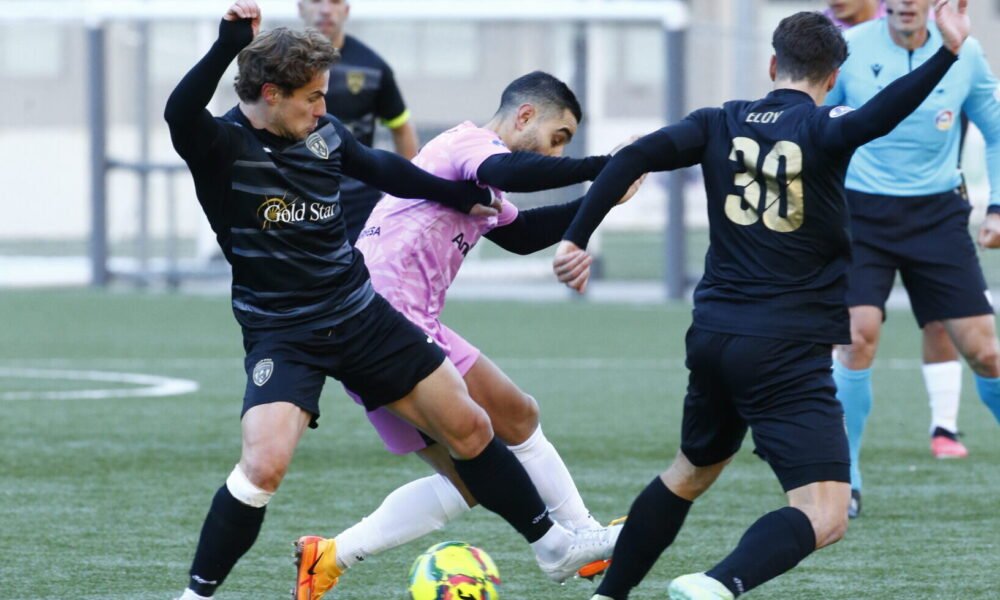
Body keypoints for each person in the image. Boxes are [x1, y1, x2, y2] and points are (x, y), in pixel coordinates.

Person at [164, 3, 615, 599]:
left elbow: (387, 170)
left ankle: (557, 547)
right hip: (283, 332)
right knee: (263, 467)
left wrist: (460, 196)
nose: (325, 109)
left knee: (472, 425)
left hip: (361, 314)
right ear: (271, 94)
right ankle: (196, 595)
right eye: (312, 98)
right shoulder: (219, 145)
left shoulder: (324, 134)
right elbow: (178, 110)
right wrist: (227, 45)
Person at [552, 4, 970, 598]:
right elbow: (880, 115)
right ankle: (719, 585)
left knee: (688, 474)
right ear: (831, 79)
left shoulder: (716, 121)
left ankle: (607, 595)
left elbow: (632, 155)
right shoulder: (824, 127)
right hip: (785, 347)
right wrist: (948, 53)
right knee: (825, 513)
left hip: (714, 337)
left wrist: (577, 236)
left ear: (773, 63)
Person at [296, 71, 643, 598]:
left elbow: (523, 234)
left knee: (508, 429)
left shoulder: (486, 182)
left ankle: (580, 536)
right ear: (524, 116)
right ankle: (564, 544)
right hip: (376, 321)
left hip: (418, 322)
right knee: (477, 462)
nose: (554, 155)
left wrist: (606, 197)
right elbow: (515, 170)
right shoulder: (468, 145)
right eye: (557, 138)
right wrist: (609, 167)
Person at [827, 0, 1000, 518]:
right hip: (860, 214)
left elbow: (996, 130)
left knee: (986, 353)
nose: (904, 3)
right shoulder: (851, 50)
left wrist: (997, 206)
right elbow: (814, 123)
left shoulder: (966, 52)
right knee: (856, 339)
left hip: (938, 217)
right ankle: (845, 480)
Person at [298, 0, 420, 244]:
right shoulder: (278, 66)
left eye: (334, 2)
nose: (325, 10)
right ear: (300, 8)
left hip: (358, 207)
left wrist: (409, 195)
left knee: (358, 278)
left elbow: (401, 128)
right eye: (315, 1)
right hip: (296, 200)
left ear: (346, 10)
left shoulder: (373, 67)